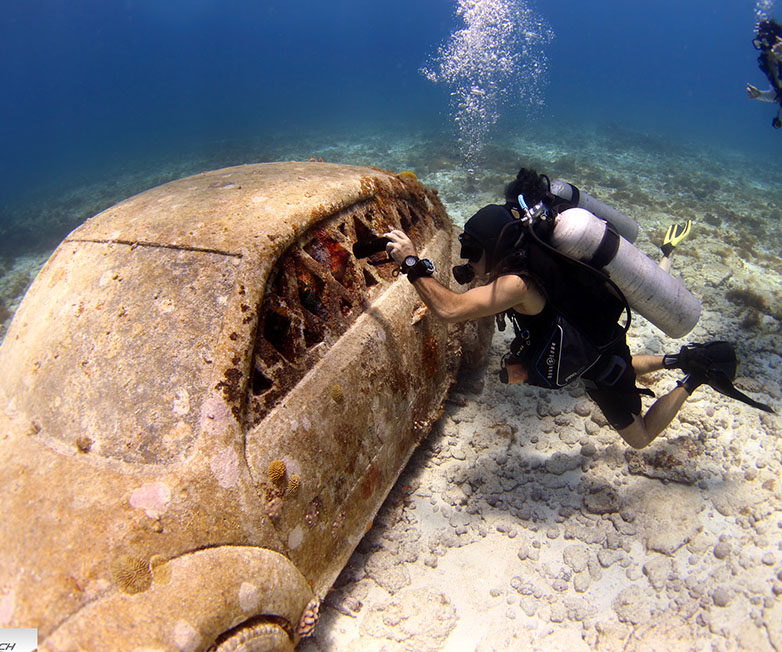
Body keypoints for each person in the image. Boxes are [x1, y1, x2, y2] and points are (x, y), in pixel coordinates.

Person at [384, 167, 772, 450]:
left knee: (638, 437)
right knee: (617, 362)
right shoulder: (531, 247)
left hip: (596, 351)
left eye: (472, 250)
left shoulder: (518, 283)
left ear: (496, 248)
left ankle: (695, 375)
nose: (468, 258)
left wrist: (411, 264)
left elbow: (450, 310)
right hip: (598, 333)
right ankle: (676, 359)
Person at [747, 18, 782, 128]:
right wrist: (760, 95)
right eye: (760, 43)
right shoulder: (769, 64)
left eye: (766, 42)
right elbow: (776, 94)